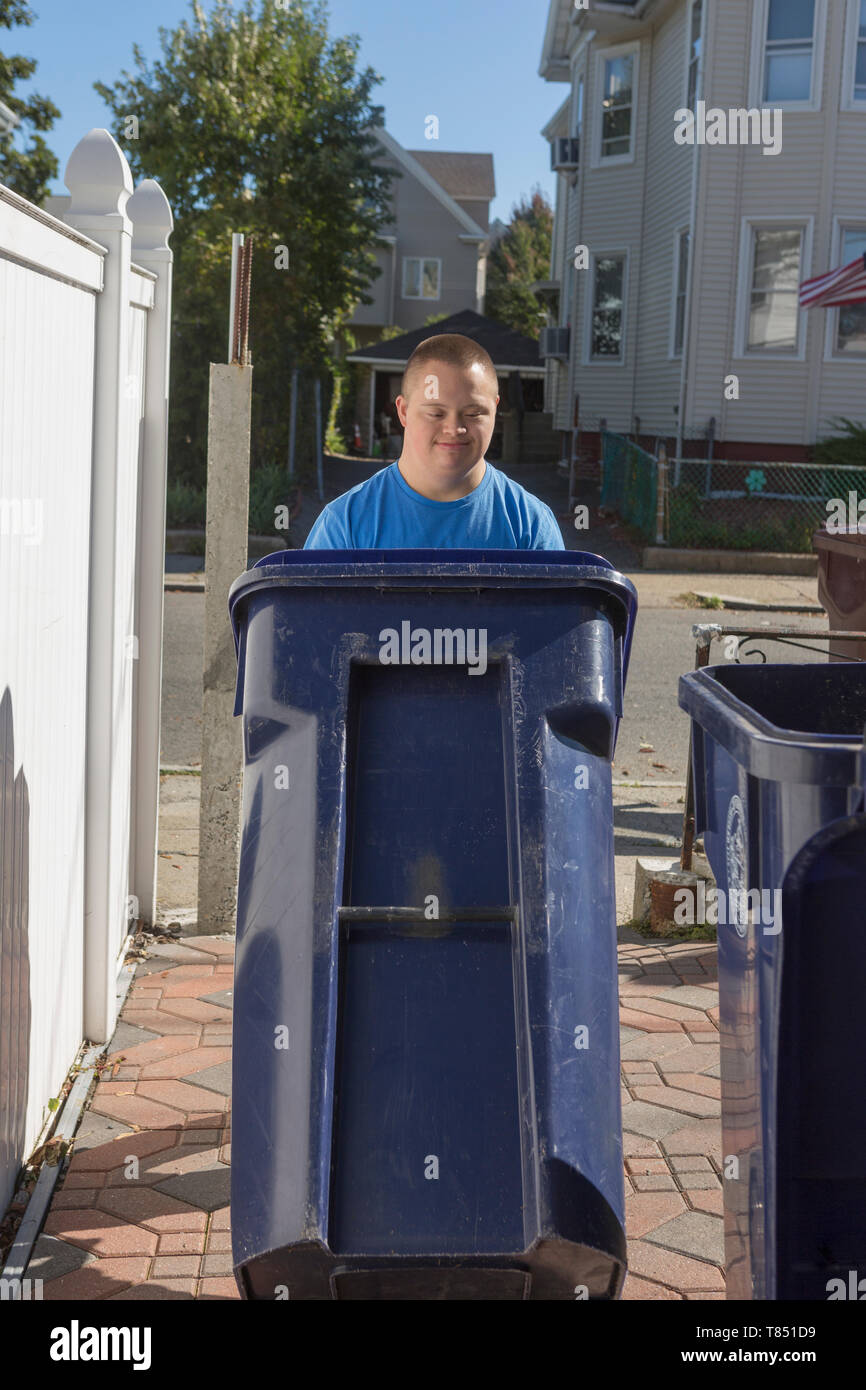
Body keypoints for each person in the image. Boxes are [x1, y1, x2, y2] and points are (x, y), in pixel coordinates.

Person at [304, 334, 565, 549]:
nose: (454, 428)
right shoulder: (344, 526)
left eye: (473, 413)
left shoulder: (530, 526)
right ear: (403, 411)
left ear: (495, 410)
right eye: (436, 413)